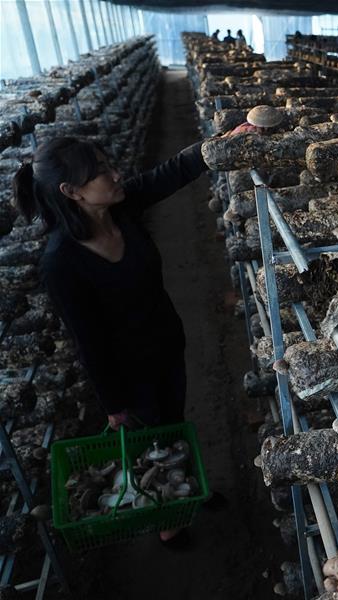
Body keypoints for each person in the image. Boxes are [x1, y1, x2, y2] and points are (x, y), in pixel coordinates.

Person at [13, 137, 217, 544]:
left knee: (172, 420)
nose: (116, 174)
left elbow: (171, 172)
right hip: (129, 371)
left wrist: (220, 145)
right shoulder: (61, 263)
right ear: (72, 191)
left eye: (109, 165)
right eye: (102, 172)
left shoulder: (120, 208)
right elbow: (88, 340)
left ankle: (186, 489)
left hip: (166, 342)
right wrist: (113, 405)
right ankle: (169, 523)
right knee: (152, 435)